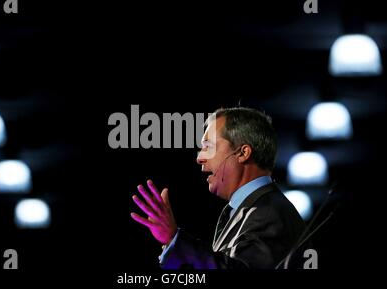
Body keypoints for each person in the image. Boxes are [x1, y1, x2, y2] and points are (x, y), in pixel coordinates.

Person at [130, 107, 306, 269]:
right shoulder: (254, 209)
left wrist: (174, 239)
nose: (200, 158)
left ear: (242, 153)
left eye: (208, 146)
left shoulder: (268, 213)